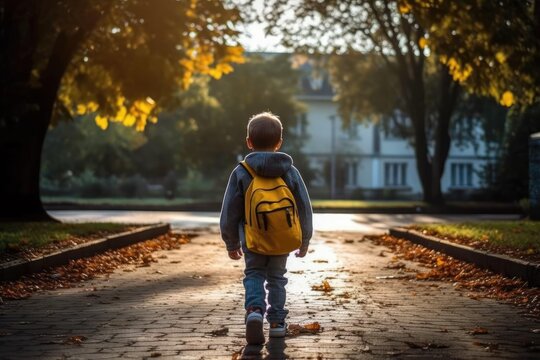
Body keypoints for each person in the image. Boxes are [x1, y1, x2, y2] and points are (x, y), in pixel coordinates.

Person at [220, 112, 313, 345]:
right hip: (283, 239)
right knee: (277, 278)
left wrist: (231, 242)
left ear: (249, 142)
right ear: (279, 143)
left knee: (253, 274)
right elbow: (303, 207)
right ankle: (277, 323)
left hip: (253, 239)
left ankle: (254, 311)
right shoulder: (289, 171)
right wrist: (305, 239)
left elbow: (230, 210)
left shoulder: (242, 172)